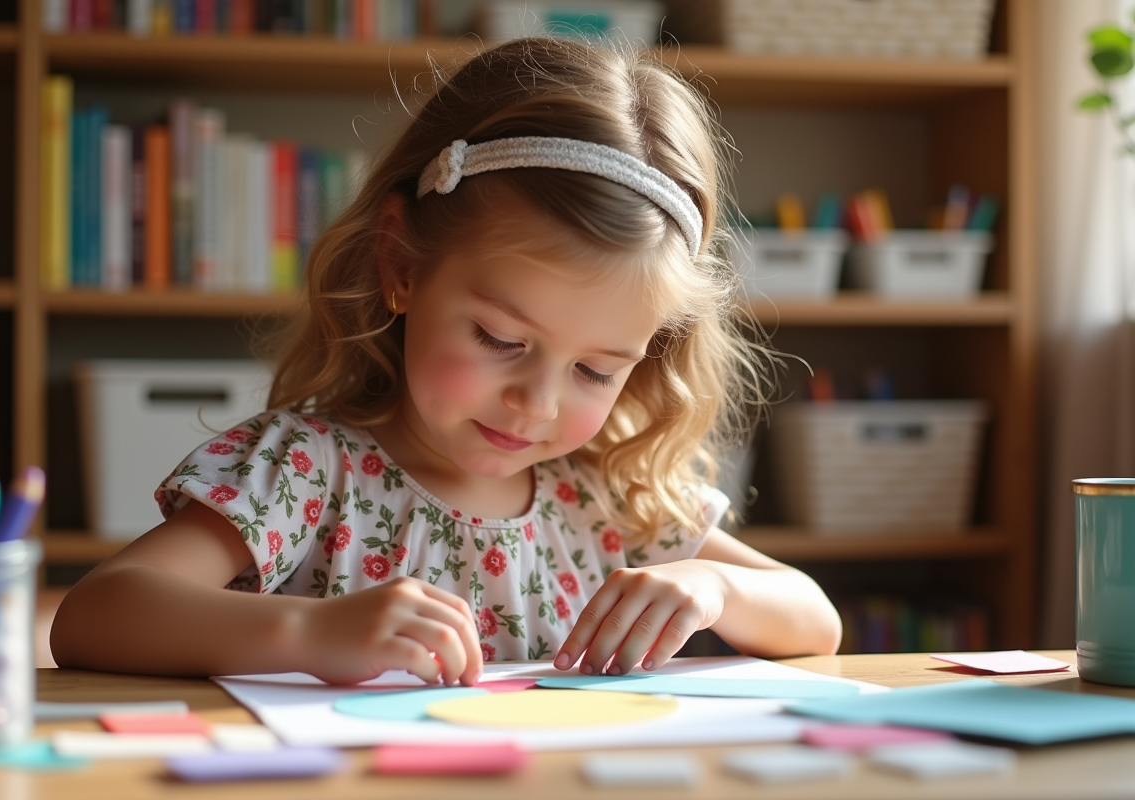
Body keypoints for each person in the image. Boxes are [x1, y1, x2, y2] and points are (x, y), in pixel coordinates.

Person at [51, 36, 841, 687]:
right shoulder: (306, 472)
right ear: (401, 264)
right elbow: (96, 613)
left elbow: (815, 620)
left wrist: (714, 586)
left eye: (596, 371)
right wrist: (307, 631)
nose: (536, 403)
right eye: (500, 339)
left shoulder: (609, 497)